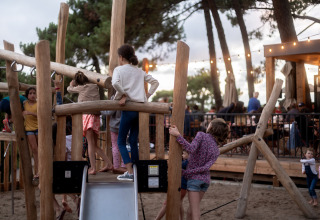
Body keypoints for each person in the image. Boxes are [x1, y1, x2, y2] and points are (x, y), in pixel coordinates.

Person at [112, 44, 159, 181]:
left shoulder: (119, 69)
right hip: (140, 109)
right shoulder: (139, 71)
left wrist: (122, 94)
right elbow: (155, 82)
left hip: (128, 109)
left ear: (121, 57)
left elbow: (115, 83)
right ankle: (136, 172)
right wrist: (147, 96)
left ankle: (130, 172)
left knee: (121, 141)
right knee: (133, 140)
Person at [169, 118, 229, 220]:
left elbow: (191, 149)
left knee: (195, 213)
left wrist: (178, 135)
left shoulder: (201, 135)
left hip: (194, 180)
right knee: (191, 212)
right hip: (205, 181)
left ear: (211, 127)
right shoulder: (216, 149)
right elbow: (205, 168)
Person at [67, 71, 113, 175]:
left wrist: (71, 84)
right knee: (94, 145)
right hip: (96, 116)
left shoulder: (81, 88)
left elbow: (69, 90)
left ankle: (92, 168)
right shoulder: (95, 87)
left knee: (90, 144)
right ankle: (109, 164)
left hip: (87, 116)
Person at [155, 150, 189, 220]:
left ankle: (157, 219)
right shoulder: (185, 162)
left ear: (189, 155)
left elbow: (175, 164)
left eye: (184, 154)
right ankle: (181, 218)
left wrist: (171, 156)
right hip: (182, 186)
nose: (182, 155)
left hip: (180, 186)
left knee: (166, 204)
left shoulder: (186, 162)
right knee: (180, 203)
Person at [101, 93, 127, 174]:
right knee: (123, 145)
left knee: (115, 146)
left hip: (114, 126)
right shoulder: (128, 97)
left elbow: (109, 112)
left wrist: (100, 109)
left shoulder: (115, 97)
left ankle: (116, 166)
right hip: (124, 125)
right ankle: (124, 165)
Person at [22, 87, 39, 185]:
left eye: (34, 93)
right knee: (34, 150)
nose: (32, 95)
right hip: (29, 129)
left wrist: (30, 113)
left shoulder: (38, 103)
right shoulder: (24, 104)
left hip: (38, 128)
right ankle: (36, 172)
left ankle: (39, 171)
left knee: (39, 150)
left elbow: (41, 115)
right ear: (27, 95)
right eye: (30, 93)